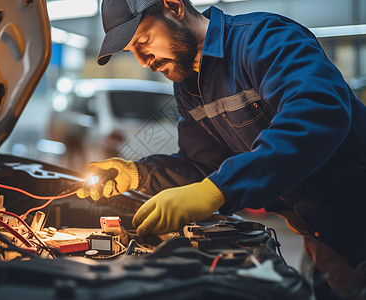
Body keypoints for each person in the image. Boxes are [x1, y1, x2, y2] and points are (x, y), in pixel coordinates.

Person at [77, 0, 366, 298]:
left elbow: (317, 115)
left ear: (174, 7)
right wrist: (138, 174)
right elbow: (204, 167)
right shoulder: (189, 85)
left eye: (144, 40)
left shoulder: (265, 38)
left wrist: (219, 188)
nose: (142, 60)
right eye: (130, 50)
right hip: (320, 238)